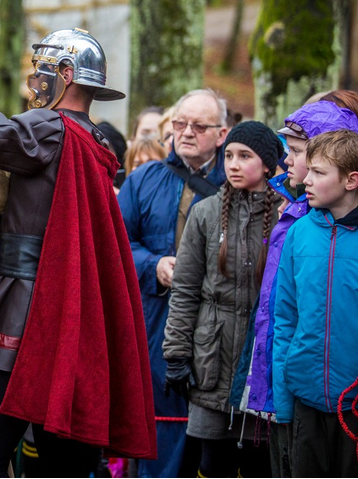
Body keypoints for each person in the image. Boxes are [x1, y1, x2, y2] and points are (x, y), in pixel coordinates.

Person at [0, 2, 156, 476]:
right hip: (74, 312)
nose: (34, 81)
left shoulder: (49, 127)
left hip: (27, 307)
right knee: (63, 466)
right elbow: (31, 223)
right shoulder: (97, 141)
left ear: (65, 73)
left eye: (41, 70)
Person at [238, 101, 358, 477]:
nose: (285, 161)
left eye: (294, 151)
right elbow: (278, 312)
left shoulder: (338, 226)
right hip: (285, 383)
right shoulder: (293, 214)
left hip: (334, 395)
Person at [117, 88, 229, 478]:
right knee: (159, 436)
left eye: (199, 126)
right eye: (180, 123)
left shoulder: (239, 185)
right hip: (155, 323)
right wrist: (154, 264)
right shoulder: (143, 179)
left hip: (218, 330)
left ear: (222, 133)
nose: (186, 132)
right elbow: (115, 244)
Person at [162, 122, 282, 477]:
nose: (233, 164)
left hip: (261, 363)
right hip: (211, 359)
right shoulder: (206, 213)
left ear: (267, 165)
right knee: (213, 463)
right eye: (228, 155)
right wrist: (177, 354)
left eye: (245, 156)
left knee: (261, 464)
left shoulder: (286, 216)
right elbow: (184, 290)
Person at [275, 130, 358, 477]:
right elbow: (285, 317)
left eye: (318, 172)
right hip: (306, 400)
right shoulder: (299, 232)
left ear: (351, 180)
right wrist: (284, 403)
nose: (305, 179)